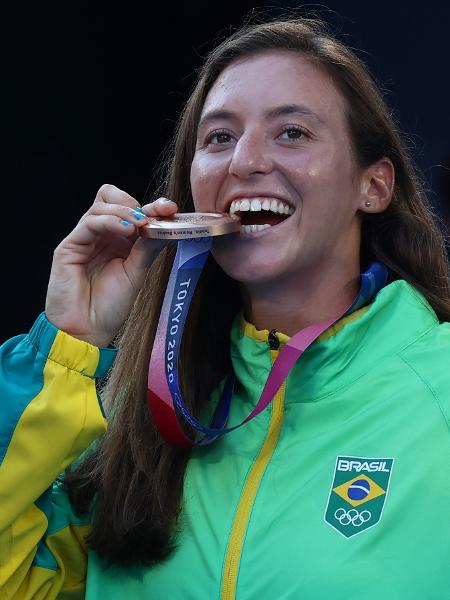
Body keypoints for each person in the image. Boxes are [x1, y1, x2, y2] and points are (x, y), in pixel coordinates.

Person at [1, 14, 450, 600]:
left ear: (375, 185)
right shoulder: (122, 419)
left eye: (292, 132)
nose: (243, 161)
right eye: (218, 137)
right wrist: (69, 345)